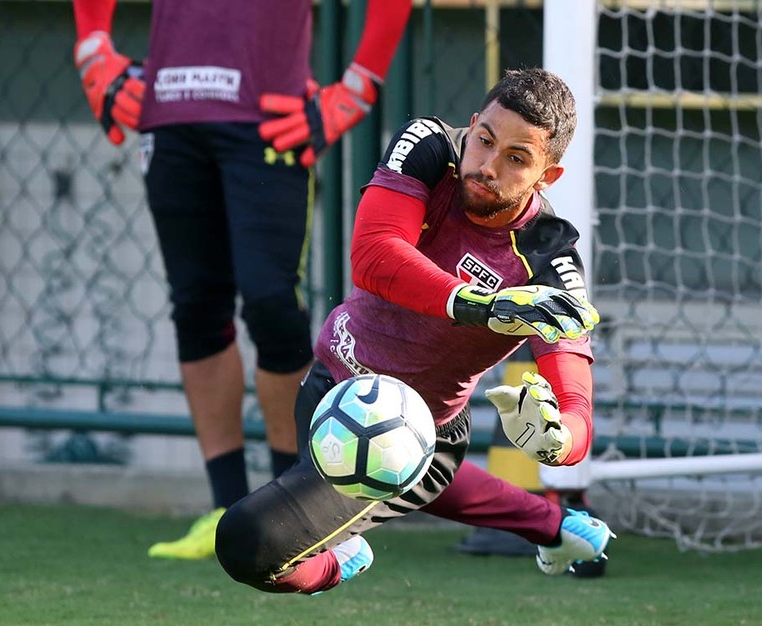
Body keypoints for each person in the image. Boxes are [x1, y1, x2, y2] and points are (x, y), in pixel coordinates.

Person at [214, 67, 615, 594]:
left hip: (413, 435)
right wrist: (480, 305)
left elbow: (576, 405)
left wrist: (559, 442)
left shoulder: (549, 262)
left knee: (248, 542)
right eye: (484, 141)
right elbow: (374, 256)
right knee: (403, 473)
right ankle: (556, 528)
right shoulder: (429, 146)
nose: (488, 166)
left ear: (547, 176)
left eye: (516, 159)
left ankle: (343, 558)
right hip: (329, 384)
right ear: (471, 126)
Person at [70, 0, 413, 559]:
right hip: (170, 113)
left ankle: (297, 511)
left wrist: (359, 83)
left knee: (272, 304)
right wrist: (92, 49)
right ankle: (224, 512)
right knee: (197, 310)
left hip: (267, 113)